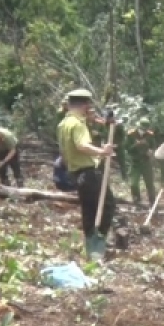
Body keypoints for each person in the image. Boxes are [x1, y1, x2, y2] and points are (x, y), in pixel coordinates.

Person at [57, 89, 117, 260]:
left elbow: (62, 150)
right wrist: (102, 151)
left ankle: (91, 244)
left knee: (89, 210)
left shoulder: (63, 124)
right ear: (85, 105)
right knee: (107, 205)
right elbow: (82, 145)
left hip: (76, 172)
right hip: (88, 172)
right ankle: (98, 242)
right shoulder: (77, 124)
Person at [126, 119, 157, 207]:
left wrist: (150, 151)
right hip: (135, 163)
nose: (144, 130)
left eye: (145, 128)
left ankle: (152, 202)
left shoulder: (150, 135)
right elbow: (127, 149)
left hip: (146, 162)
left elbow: (153, 146)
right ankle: (137, 201)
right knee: (134, 184)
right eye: (142, 128)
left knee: (150, 184)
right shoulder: (131, 134)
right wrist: (136, 145)